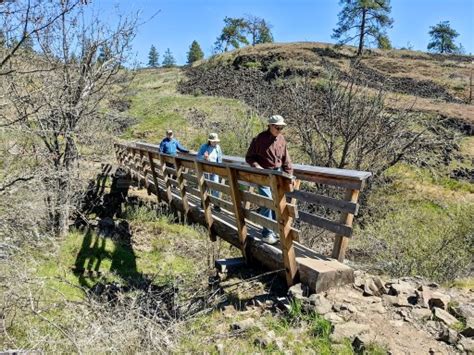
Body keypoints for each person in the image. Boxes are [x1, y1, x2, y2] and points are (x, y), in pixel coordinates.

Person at [245, 115, 293, 244]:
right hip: (264, 174)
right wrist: (257, 167)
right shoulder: (259, 139)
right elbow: (249, 157)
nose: (280, 129)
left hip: (277, 174)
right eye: (277, 127)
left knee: (277, 202)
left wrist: (290, 174)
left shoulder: (281, 139)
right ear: (270, 125)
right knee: (268, 201)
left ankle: (274, 230)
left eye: (282, 127)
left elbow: (286, 159)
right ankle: (267, 234)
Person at [198, 133, 223, 211]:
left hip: (215, 170)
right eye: (214, 141)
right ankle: (204, 203)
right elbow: (198, 157)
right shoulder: (204, 147)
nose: (215, 143)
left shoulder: (218, 148)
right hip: (205, 170)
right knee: (205, 187)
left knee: (216, 187)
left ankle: (216, 205)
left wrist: (220, 168)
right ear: (209, 141)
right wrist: (204, 157)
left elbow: (220, 159)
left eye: (216, 141)